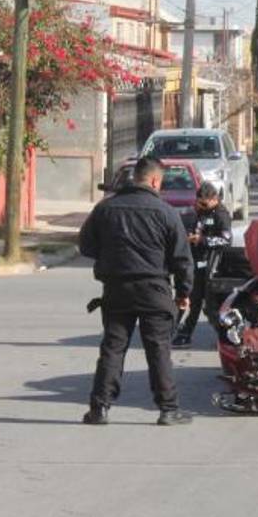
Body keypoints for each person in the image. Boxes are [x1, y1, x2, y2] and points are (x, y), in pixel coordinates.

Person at [77, 156, 195, 426]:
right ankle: (168, 410)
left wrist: (110, 257)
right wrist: (183, 293)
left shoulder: (106, 209)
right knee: (158, 350)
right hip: (155, 289)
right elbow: (182, 258)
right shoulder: (166, 212)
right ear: (155, 180)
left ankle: (99, 408)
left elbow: (86, 245)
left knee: (113, 349)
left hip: (116, 289)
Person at [171, 182, 232, 349]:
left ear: (214, 199)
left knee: (208, 304)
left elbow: (226, 240)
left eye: (204, 203)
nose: (200, 206)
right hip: (193, 261)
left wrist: (202, 240)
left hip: (210, 264)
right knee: (191, 298)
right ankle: (180, 332)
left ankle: (225, 338)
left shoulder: (221, 215)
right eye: (198, 203)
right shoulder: (200, 212)